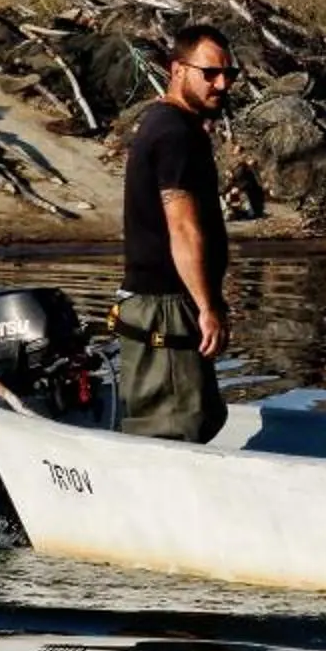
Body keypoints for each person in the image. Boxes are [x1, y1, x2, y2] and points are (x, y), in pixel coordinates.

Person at [116, 23, 238, 442]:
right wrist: (207, 307)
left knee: (196, 418)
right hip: (164, 306)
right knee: (172, 430)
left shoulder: (173, 128)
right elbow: (183, 226)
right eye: (210, 73)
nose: (222, 84)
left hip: (169, 302)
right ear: (178, 70)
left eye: (229, 74)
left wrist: (209, 300)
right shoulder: (173, 134)